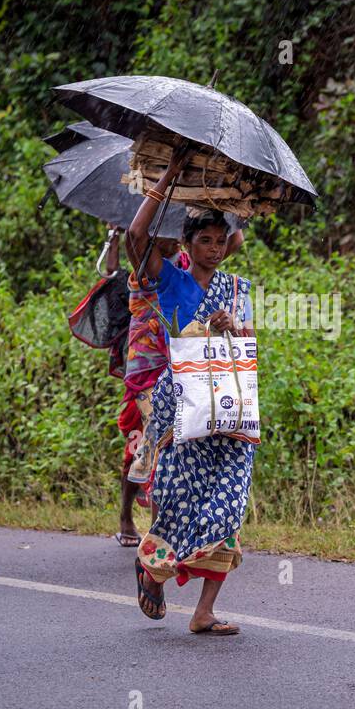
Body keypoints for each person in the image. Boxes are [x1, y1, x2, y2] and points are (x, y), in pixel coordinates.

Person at [125, 146, 255, 635]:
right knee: (179, 500)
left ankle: (203, 612)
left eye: (221, 240)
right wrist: (172, 177)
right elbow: (138, 236)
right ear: (188, 243)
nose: (216, 248)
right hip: (181, 403)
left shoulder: (236, 289)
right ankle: (154, 567)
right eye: (205, 240)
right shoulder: (170, 282)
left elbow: (248, 343)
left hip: (229, 404)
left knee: (229, 497)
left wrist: (232, 327)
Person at [112, 225, 243, 548]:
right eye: (163, 232)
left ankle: (176, 529)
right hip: (148, 366)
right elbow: (136, 237)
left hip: (187, 366)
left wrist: (223, 213)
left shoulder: (187, 266)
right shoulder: (147, 266)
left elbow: (232, 241)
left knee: (169, 442)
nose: (169, 237)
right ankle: (140, 523)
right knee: (149, 439)